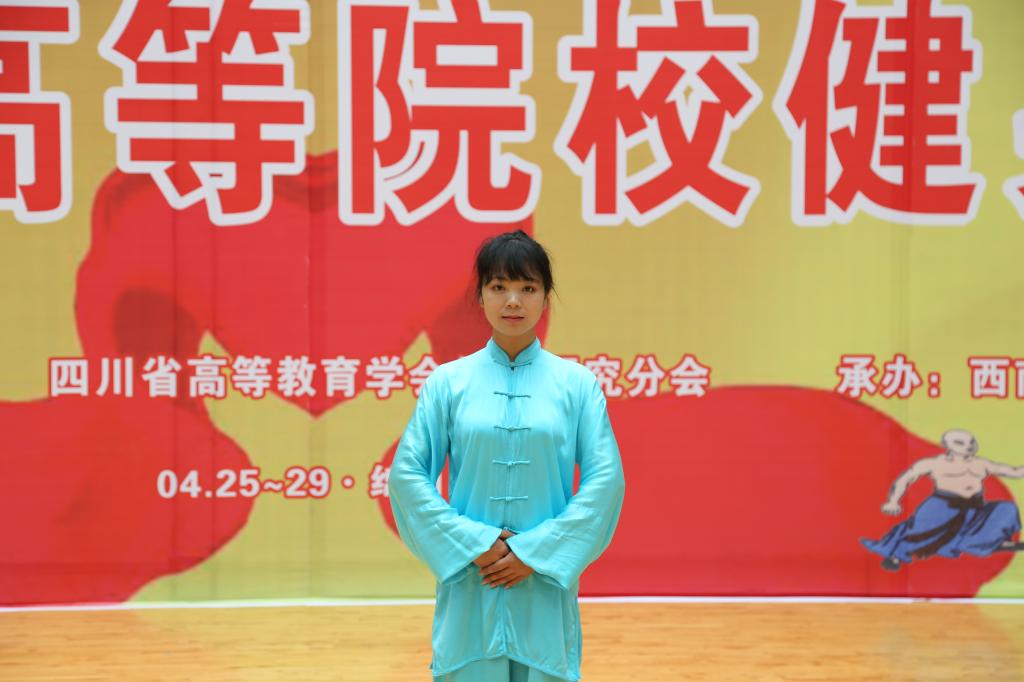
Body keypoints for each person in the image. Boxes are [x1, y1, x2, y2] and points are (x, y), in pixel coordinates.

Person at [387, 230, 625, 682]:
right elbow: (407, 476)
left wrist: (536, 552)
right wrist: (475, 544)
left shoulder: (577, 385)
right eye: (499, 287)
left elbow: (605, 481)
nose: (513, 301)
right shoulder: (447, 383)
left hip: (542, 581)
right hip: (471, 579)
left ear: (545, 297)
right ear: (480, 296)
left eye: (527, 288)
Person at [861, 428, 1023, 571]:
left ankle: (989, 543)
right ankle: (895, 556)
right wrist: (893, 501)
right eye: (960, 443)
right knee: (919, 533)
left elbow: (1015, 472)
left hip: (975, 507)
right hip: (942, 507)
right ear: (947, 445)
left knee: (1005, 509)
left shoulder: (981, 463)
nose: (968, 446)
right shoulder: (933, 463)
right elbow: (905, 479)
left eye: (971, 442)